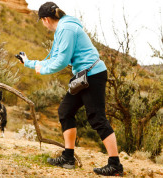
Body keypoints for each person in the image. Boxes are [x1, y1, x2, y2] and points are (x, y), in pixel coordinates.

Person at [18, 1, 123, 176]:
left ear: (45, 19)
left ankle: (115, 164)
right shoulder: (64, 28)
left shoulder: (66, 29)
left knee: (97, 117)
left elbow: (60, 62)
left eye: (42, 21)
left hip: (92, 75)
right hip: (82, 76)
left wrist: (41, 69)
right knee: (65, 111)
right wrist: (29, 63)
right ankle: (68, 157)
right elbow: (54, 59)